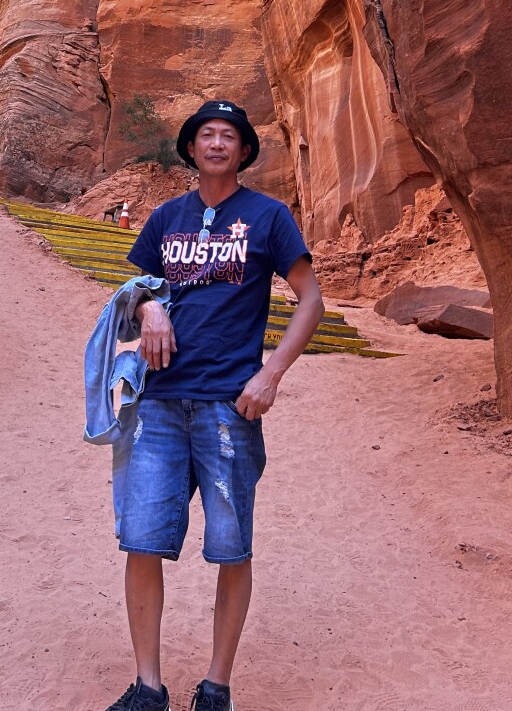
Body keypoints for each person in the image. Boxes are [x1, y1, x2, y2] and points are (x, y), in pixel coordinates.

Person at [103, 99, 324, 711]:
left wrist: (271, 375)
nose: (218, 143)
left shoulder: (269, 217)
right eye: (207, 134)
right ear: (191, 147)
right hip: (158, 407)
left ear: (245, 150)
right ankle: (148, 686)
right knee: (142, 541)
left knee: (231, 546)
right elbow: (132, 293)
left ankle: (216, 685)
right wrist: (148, 305)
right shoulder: (165, 218)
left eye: (230, 135)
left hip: (230, 408)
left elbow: (311, 300)